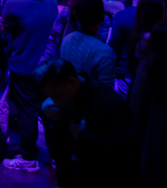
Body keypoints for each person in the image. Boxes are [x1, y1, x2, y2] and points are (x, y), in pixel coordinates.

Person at [36, 57, 136, 188]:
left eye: (58, 95)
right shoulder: (63, 102)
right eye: (51, 97)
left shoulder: (107, 101)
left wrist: (84, 136)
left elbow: (129, 146)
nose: (56, 102)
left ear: (72, 81)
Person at [0, 0, 58, 172]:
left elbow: (4, 27)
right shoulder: (52, 0)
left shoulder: (15, 2)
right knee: (47, 109)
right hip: (48, 65)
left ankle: (28, 157)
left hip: (23, 65)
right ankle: (55, 155)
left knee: (27, 112)